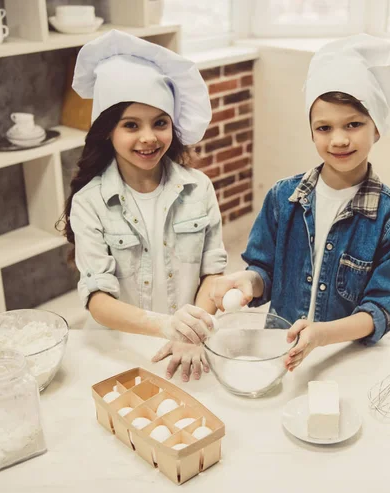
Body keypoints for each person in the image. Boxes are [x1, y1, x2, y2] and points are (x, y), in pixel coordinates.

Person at [211, 34, 390, 372]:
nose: (339, 139)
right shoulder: (282, 199)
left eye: (353, 124)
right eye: (324, 127)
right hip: (281, 350)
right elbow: (264, 272)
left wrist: (322, 335)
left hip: (343, 357)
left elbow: (381, 310)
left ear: (377, 127)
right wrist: (248, 282)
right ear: (311, 132)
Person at [57, 30, 226, 381]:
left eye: (160, 123)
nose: (148, 137)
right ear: (107, 131)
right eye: (131, 125)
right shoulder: (90, 202)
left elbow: (213, 273)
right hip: (118, 351)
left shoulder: (198, 188)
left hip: (188, 350)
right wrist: (167, 326)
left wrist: (191, 331)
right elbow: (97, 299)